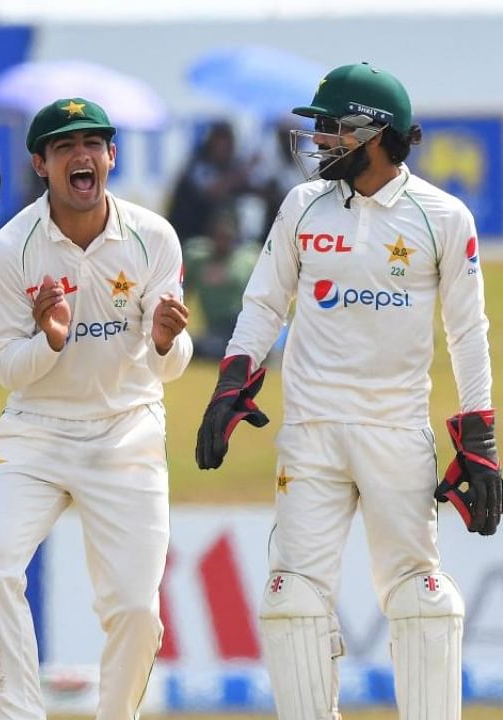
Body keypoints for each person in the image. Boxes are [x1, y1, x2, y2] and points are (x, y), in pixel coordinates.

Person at [195, 62, 499, 720]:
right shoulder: (304, 206)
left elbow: (468, 333)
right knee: (291, 596)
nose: (320, 140)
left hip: (395, 430)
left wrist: (480, 439)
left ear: (373, 132)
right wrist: (230, 384)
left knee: (421, 595)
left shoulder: (442, 216)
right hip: (311, 431)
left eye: (332, 128)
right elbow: (263, 303)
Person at [0, 98, 192, 719]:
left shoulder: (153, 237)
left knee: (138, 612)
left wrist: (169, 340)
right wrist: (51, 340)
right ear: (41, 163)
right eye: (64, 147)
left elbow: (169, 362)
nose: (81, 156)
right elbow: (6, 367)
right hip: (36, 431)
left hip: (127, 429)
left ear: (112, 157)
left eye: (93, 143)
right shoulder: (13, 247)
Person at [182, 204, 259, 359]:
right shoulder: (197, 257)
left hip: (241, 325)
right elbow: (181, 289)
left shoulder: (248, 259)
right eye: (219, 234)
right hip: (214, 328)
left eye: (227, 235)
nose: (222, 239)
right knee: (194, 348)